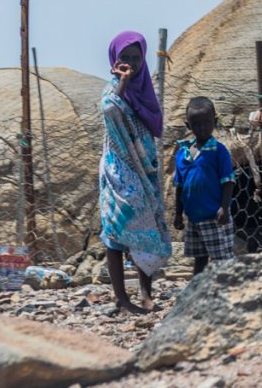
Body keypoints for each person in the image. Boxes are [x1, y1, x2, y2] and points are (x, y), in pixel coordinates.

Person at [99, 31, 171, 314]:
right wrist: (123, 85)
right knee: (116, 229)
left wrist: (132, 86)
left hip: (146, 166)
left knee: (147, 226)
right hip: (120, 168)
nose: (129, 62)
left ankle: (145, 292)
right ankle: (121, 297)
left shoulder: (145, 90)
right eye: (124, 57)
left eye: (135, 57)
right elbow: (109, 109)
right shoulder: (112, 89)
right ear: (115, 60)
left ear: (142, 59)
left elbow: (155, 122)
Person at [173, 97, 235, 274]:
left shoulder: (218, 151)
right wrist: (178, 213)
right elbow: (179, 186)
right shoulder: (183, 153)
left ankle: (228, 293)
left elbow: (228, 181)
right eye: (196, 124)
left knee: (222, 260)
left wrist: (224, 207)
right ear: (188, 125)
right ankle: (196, 293)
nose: (201, 128)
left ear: (214, 122)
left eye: (206, 123)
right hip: (193, 219)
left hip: (214, 217)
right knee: (200, 258)